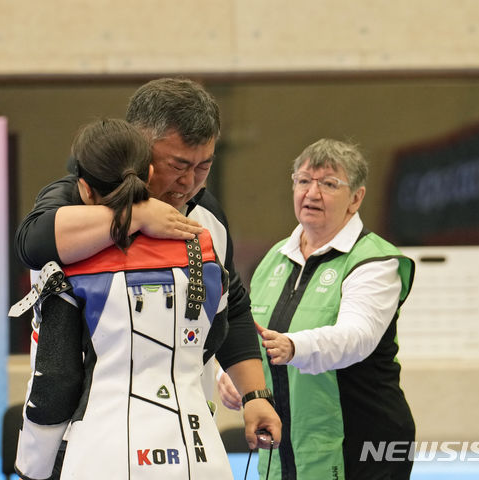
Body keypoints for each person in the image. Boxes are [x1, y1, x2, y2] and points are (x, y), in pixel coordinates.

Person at [15, 77, 281, 450]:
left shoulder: (206, 215)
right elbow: (32, 242)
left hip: (184, 431)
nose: (188, 182)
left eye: (203, 166)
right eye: (177, 165)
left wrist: (255, 396)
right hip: (86, 438)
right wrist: (135, 216)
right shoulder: (81, 196)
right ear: (138, 145)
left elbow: (232, 307)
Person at [218, 139, 416, 480]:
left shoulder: (375, 261)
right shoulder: (275, 258)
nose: (312, 192)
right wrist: (232, 377)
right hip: (287, 446)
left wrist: (295, 346)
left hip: (362, 446)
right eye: (303, 180)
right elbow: (250, 331)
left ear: (356, 198)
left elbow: (357, 337)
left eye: (328, 183)